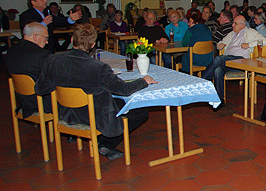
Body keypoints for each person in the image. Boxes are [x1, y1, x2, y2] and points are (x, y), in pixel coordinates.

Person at [35, 23, 158, 160]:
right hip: (92, 116)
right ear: (93, 44)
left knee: (110, 99)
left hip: (65, 113)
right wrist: (143, 81)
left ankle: (78, 135)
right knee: (140, 110)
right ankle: (105, 142)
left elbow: (40, 88)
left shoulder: (53, 60)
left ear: (71, 40)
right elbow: (123, 89)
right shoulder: (98, 67)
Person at [202, 15, 266, 107]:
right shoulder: (231, 34)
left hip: (242, 61)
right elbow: (220, 42)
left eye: (235, 23)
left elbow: (265, 41)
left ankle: (203, 79)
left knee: (218, 59)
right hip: (229, 60)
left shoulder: (250, 32)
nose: (232, 25)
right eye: (233, 23)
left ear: (242, 25)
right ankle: (219, 100)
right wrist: (220, 45)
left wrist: (249, 44)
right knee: (217, 70)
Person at [6, 22, 52, 118]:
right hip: (42, 102)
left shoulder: (11, 50)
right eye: (46, 38)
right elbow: (54, 77)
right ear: (35, 37)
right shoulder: (41, 54)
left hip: (23, 100)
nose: (47, 42)